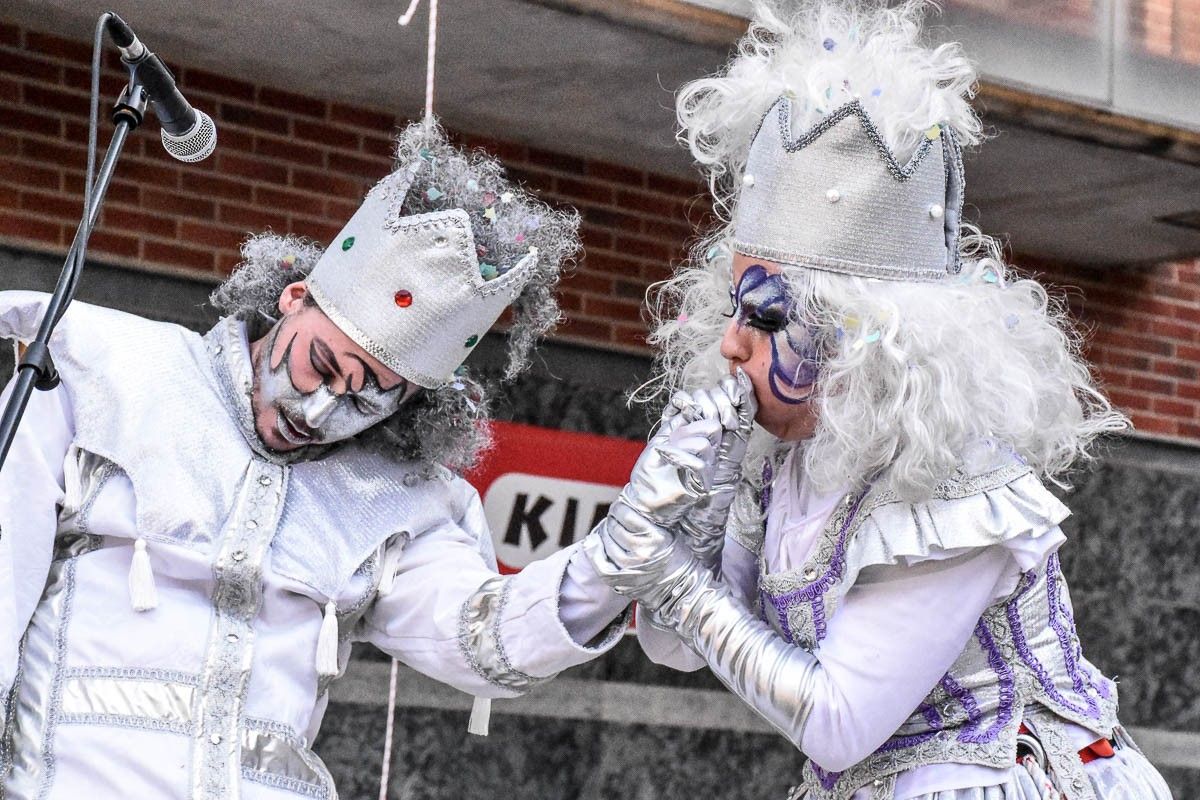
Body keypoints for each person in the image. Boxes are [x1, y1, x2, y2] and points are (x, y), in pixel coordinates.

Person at [581, 2, 1175, 799]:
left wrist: (673, 580)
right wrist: (690, 510)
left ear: (860, 336)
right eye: (733, 310)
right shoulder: (781, 466)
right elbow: (673, 645)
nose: (730, 344)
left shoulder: (953, 479)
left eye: (765, 317)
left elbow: (839, 720)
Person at [0, 121, 635, 799]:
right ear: (294, 299)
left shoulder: (401, 501)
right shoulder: (101, 375)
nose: (319, 412)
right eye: (319, 365)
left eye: (369, 400)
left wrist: (625, 556)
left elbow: (483, 639)